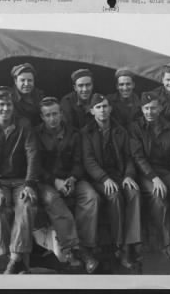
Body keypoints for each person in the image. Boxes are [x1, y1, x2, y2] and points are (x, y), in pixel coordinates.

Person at [35, 96, 100, 273]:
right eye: (47, 115)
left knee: (90, 197)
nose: (52, 118)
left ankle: (86, 246)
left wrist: (72, 178)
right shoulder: (36, 135)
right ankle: (74, 249)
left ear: (61, 114)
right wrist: (55, 182)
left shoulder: (74, 134)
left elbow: (79, 162)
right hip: (46, 182)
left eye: (55, 114)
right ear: (42, 117)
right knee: (53, 200)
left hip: (71, 179)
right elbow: (36, 166)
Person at [0, 86, 39, 274]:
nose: (6, 109)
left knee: (27, 204)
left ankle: (14, 259)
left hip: (21, 180)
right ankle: (11, 255)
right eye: (1, 105)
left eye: (9, 104)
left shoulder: (24, 125)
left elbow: (32, 154)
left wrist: (29, 184)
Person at [129, 92, 170, 264]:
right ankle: (163, 243)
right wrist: (154, 178)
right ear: (142, 109)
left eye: (153, 108)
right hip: (144, 173)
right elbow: (138, 157)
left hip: (165, 171)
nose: (150, 112)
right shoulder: (136, 127)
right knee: (158, 196)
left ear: (161, 108)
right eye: (146, 108)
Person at [81, 94, 142, 269]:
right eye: (98, 107)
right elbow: (89, 161)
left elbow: (129, 157)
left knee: (134, 192)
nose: (103, 110)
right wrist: (104, 179)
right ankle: (119, 245)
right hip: (98, 177)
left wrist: (129, 175)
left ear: (111, 108)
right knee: (114, 195)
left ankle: (132, 243)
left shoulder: (120, 130)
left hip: (119, 175)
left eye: (105, 106)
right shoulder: (86, 132)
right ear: (92, 111)